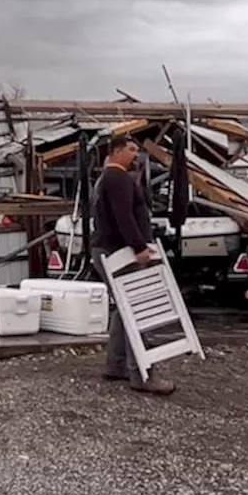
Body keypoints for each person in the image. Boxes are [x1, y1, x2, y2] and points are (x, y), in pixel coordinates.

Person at [90, 135, 175, 396]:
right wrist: (139, 247)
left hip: (107, 249)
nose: (136, 155)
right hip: (120, 253)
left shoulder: (107, 179)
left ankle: (116, 365)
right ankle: (142, 373)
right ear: (116, 152)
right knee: (136, 309)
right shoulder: (118, 179)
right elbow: (123, 216)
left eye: (136, 150)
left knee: (122, 309)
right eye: (130, 150)